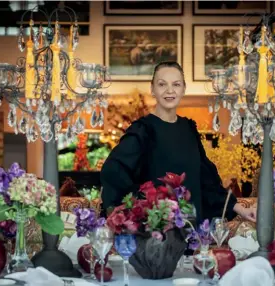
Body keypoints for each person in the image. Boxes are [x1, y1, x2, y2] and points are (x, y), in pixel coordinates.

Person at [100, 61, 256, 223]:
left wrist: (240, 209)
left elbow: (206, 181)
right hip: (156, 233)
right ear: (152, 89)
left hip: (192, 231)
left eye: (176, 84)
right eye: (162, 84)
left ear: (183, 89)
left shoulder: (189, 129)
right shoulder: (143, 130)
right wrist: (141, 206)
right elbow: (114, 173)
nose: (169, 90)